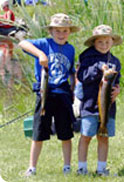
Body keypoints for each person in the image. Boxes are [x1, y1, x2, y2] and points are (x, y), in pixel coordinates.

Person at [18, 13, 80, 176]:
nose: (61, 34)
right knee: (38, 132)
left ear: (69, 32)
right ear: (51, 31)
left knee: (66, 133)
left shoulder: (70, 48)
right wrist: (40, 54)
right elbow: (23, 43)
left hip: (63, 94)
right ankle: (32, 167)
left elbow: (72, 72)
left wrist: (74, 89)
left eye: (65, 31)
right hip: (45, 92)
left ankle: (67, 166)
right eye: (57, 31)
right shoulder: (43, 44)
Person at [76, 24, 122, 176]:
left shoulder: (115, 61)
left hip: (108, 107)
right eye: (100, 42)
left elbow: (117, 81)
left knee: (103, 137)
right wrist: (98, 68)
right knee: (86, 136)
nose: (104, 45)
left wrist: (117, 90)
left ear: (112, 42)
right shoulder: (86, 57)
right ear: (94, 42)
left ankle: (102, 168)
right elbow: (82, 77)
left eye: (107, 42)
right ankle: (82, 168)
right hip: (89, 105)